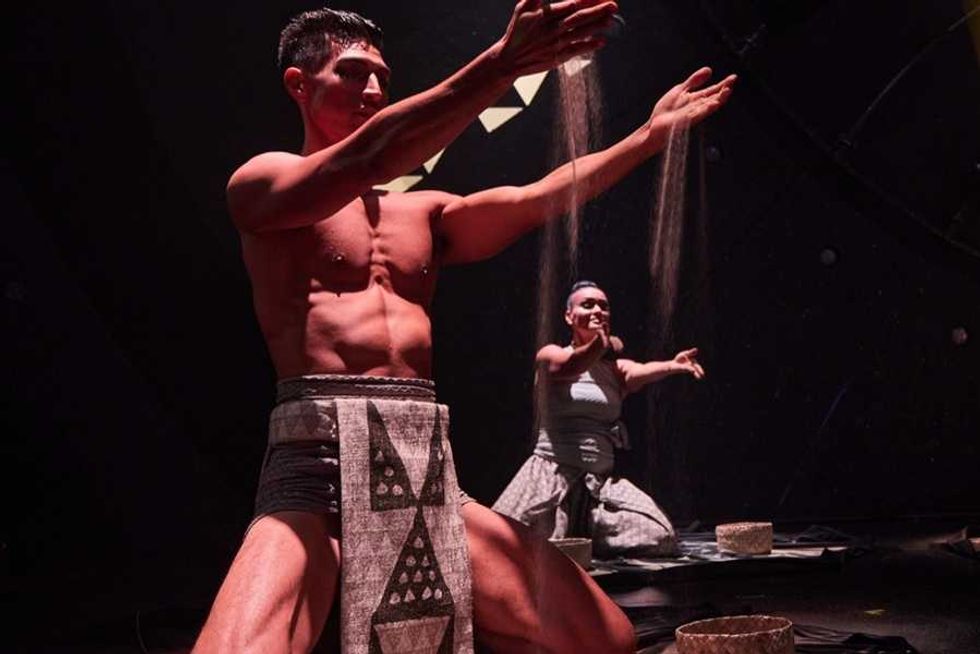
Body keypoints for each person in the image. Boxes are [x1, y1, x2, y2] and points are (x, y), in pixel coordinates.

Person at [193, 2, 735, 652]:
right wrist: (504, 64)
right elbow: (368, 158)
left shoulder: (422, 211)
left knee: (601, 637)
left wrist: (646, 139)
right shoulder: (262, 183)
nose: (372, 89)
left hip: (423, 464)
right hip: (319, 469)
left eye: (382, 79)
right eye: (353, 73)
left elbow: (536, 199)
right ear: (299, 85)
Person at [493, 281, 705, 558]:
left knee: (660, 535)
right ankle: (563, 537)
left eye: (603, 306)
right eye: (588, 304)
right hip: (550, 478)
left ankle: (584, 534)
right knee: (501, 544)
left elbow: (641, 370)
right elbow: (570, 366)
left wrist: (673, 365)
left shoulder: (614, 371)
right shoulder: (551, 355)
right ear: (569, 316)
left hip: (599, 487)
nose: (597, 310)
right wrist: (600, 343)